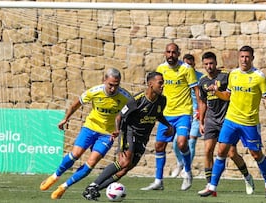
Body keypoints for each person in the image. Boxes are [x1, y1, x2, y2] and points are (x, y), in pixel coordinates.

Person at [199, 46, 266, 198]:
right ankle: (212, 186)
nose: (244, 60)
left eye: (247, 57)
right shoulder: (234, 74)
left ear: (252, 58)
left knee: (256, 154)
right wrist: (216, 92)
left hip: (249, 123)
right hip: (231, 120)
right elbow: (228, 95)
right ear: (239, 58)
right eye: (242, 57)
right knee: (221, 151)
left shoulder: (258, 76)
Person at [40, 68, 132, 200]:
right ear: (104, 80)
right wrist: (66, 118)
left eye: (116, 85)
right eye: (110, 85)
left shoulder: (125, 97)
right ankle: (55, 176)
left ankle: (63, 187)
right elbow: (75, 105)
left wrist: (121, 129)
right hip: (90, 128)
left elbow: (132, 113)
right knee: (75, 154)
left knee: (91, 162)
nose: (113, 88)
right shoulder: (94, 92)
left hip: (107, 134)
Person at [81, 72, 174, 201]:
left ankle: (93, 189)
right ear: (150, 84)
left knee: (126, 169)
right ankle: (93, 184)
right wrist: (118, 130)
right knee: (124, 161)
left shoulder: (162, 100)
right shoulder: (137, 100)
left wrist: (168, 125)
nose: (163, 85)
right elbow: (119, 116)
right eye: (160, 82)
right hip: (129, 132)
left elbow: (157, 114)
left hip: (143, 137)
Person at [141, 43, 200, 191]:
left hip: (183, 113)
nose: (171, 55)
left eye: (174, 52)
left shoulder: (186, 69)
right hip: (165, 114)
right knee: (159, 146)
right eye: (168, 52)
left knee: (181, 143)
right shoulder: (161, 69)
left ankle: (187, 172)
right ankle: (158, 181)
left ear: (178, 53)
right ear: (164, 53)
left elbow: (196, 90)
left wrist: (198, 110)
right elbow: (155, 90)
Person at [197, 51, 254, 196]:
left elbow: (233, 94)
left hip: (226, 120)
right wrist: (201, 121)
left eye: (211, 63)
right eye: (206, 64)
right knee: (208, 150)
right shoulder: (202, 82)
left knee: (231, 153)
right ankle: (210, 185)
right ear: (203, 65)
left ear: (216, 63)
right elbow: (202, 102)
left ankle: (247, 177)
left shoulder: (226, 76)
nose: (209, 66)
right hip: (211, 120)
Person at [171, 54, 203, 178]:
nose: (188, 66)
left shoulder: (200, 78)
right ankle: (180, 163)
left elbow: (203, 96)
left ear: (194, 64)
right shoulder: (180, 76)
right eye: (186, 64)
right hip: (183, 112)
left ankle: (186, 168)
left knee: (192, 140)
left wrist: (201, 111)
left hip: (196, 112)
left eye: (190, 64)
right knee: (176, 142)